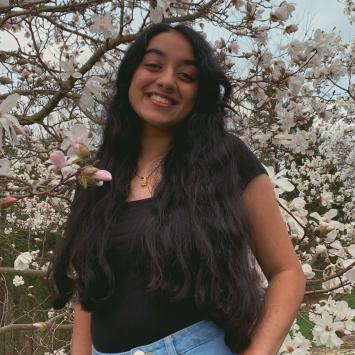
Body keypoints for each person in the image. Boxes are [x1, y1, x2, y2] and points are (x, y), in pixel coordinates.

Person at [48, 23, 305, 355]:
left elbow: (287, 272)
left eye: (186, 76)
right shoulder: (96, 178)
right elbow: (91, 289)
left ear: (200, 93)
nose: (167, 80)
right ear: (131, 75)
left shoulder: (227, 160)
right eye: (153, 65)